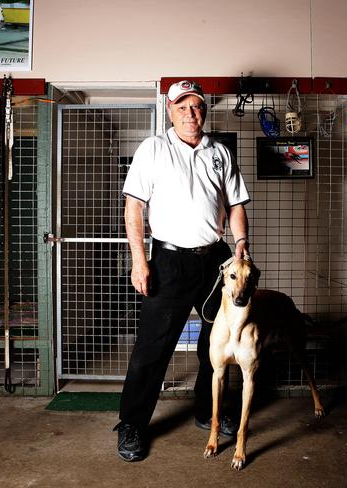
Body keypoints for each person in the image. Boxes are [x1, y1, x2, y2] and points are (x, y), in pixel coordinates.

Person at [114, 80, 251, 462]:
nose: (191, 115)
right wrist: (140, 261)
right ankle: (132, 424)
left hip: (216, 261)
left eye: (197, 108)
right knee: (152, 348)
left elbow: (236, 203)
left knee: (217, 342)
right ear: (169, 111)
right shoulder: (153, 149)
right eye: (183, 108)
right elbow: (134, 208)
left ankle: (208, 412)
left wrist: (240, 244)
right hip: (169, 261)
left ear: (204, 111)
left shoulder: (219, 152)